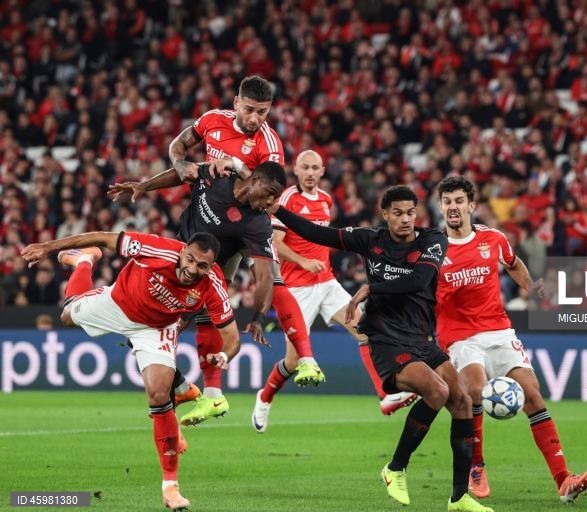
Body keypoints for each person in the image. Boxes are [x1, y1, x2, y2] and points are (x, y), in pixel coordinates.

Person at [110, 75, 323, 426]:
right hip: (200, 225)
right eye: (251, 110)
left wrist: (235, 168)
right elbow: (181, 152)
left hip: (241, 229)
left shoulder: (269, 145)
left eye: (263, 112)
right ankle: (190, 387)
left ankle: (294, 360)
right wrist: (152, 182)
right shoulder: (212, 121)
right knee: (180, 308)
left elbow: (264, 184)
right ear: (236, 102)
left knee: (246, 282)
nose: (256, 119)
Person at [271, 185, 493, 512]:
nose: (405, 219)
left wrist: (369, 288)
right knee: (437, 390)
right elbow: (316, 232)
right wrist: (276, 209)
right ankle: (395, 468)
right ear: (385, 214)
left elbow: (418, 281)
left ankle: (460, 498)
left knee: (461, 399)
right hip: (385, 337)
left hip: (420, 337)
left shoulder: (432, 240)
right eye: (398, 213)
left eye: (410, 213)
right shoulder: (370, 239)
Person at [20, 230, 240, 510]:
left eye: (202, 266)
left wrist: (224, 354)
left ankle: (170, 487)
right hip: (118, 303)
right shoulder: (156, 249)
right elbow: (103, 236)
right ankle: (84, 261)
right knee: (67, 315)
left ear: (212, 266)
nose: (192, 269)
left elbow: (232, 338)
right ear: (183, 251)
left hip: (157, 328)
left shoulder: (213, 283)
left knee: (158, 394)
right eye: (190, 260)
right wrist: (48, 247)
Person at [435, 176, 587, 503]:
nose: (453, 207)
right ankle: (475, 465)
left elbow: (513, 263)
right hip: (461, 338)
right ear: (441, 207)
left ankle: (564, 481)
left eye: (458, 201)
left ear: (471, 205)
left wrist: (530, 285)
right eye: (447, 201)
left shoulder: (493, 238)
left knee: (534, 395)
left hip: (499, 330)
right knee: (476, 390)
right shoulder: (434, 249)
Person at [252, 150, 416, 433]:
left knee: (365, 330)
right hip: (297, 289)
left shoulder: (327, 200)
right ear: (297, 169)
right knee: (293, 361)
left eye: (316, 168)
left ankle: (385, 396)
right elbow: (276, 243)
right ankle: (264, 397)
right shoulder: (287, 199)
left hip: (326, 283)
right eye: (305, 167)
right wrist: (303, 261)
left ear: (323, 170)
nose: (311, 173)